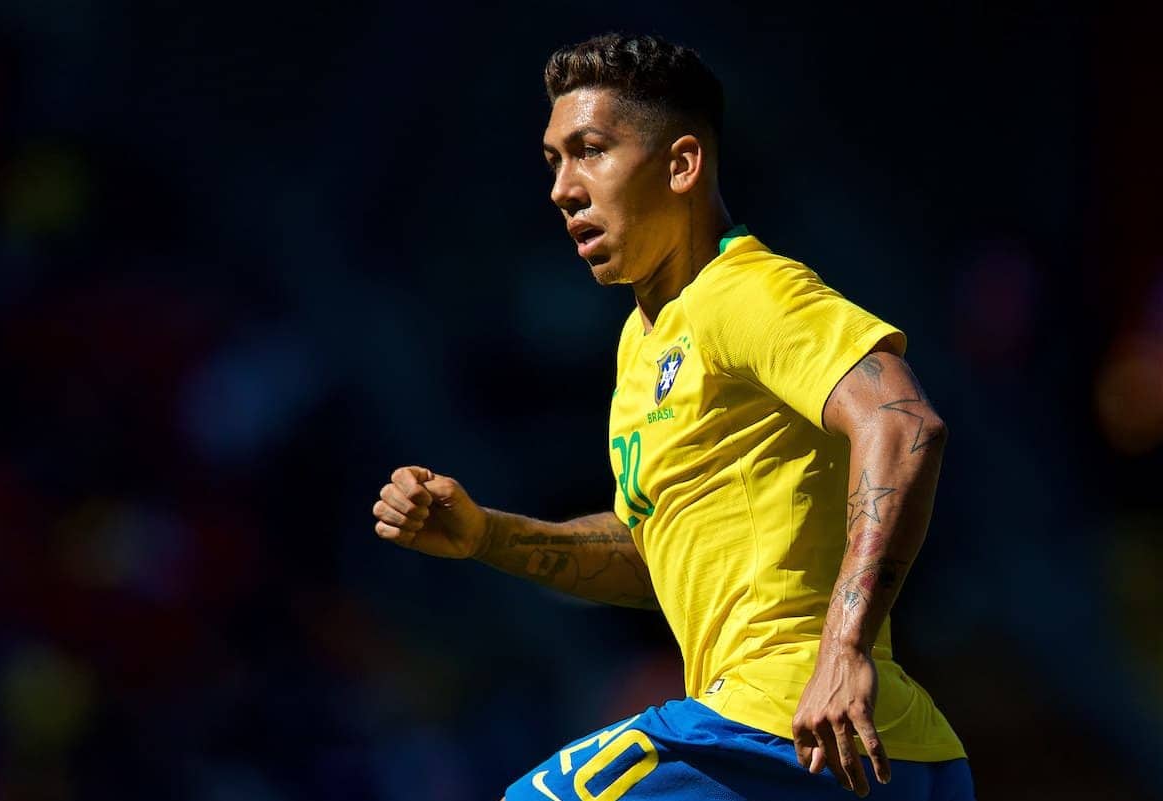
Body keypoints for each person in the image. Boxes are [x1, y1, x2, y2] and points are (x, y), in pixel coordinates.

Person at [372, 32, 973, 801]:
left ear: (682, 164)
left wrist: (844, 645)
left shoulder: (746, 290)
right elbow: (652, 553)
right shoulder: (642, 340)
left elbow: (902, 422)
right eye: (554, 160)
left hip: (782, 730)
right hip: (866, 753)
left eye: (589, 150)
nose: (562, 187)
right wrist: (489, 534)